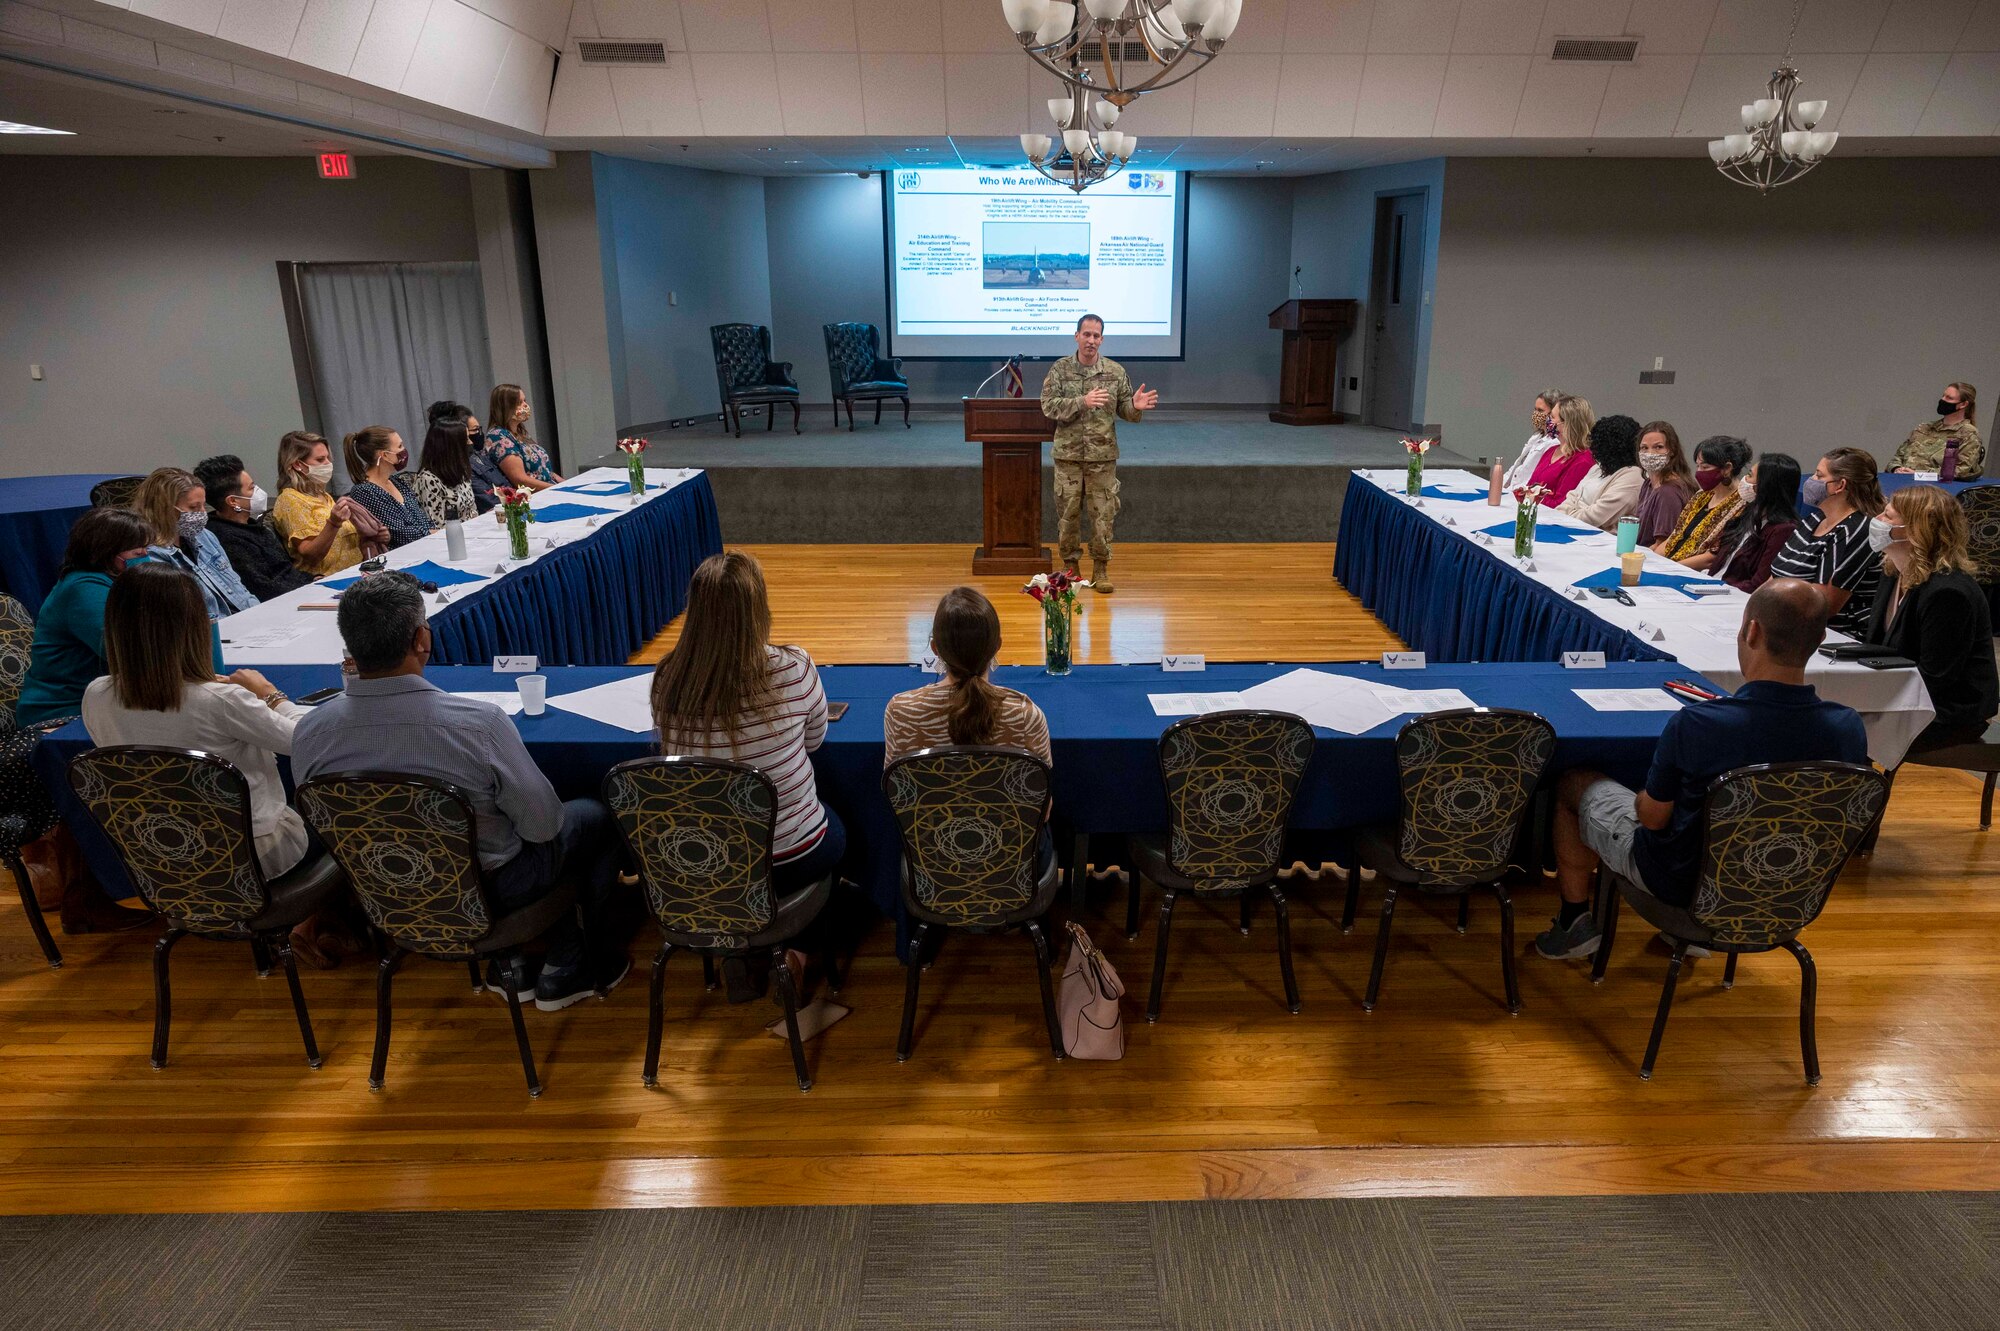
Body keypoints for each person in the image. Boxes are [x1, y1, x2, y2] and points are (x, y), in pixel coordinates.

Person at [292, 572, 629, 1009]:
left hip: (384, 889)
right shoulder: (478, 724)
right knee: (595, 815)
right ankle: (571, 960)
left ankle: (512, 960)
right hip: (495, 888)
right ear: (421, 640)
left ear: (349, 648)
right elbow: (545, 827)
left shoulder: (310, 731)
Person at [1535, 579, 1870, 960]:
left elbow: (1652, 819)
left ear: (1752, 631)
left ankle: (1574, 921)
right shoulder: (1848, 728)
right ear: (1819, 638)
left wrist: (1647, 792)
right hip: (1787, 895)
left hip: (1683, 888)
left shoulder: (1700, 724)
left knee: (1573, 782)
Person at [81, 563, 312, 880]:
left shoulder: (96, 694)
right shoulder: (224, 702)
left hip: (161, 854)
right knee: (336, 818)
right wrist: (271, 695)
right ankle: (317, 924)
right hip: (248, 855)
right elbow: (309, 740)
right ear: (194, 628)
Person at [1862, 485, 1999, 754]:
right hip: (1908, 695)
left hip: (1949, 711)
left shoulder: (1948, 592)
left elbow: (1937, 678)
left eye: (1888, 516)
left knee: (1838, 726)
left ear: (1915, 530)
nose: (1877, 521)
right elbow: (1878, 648)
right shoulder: (1892, 573)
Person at [1039, 314, 1160, 594]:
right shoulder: (1059, 370)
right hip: (1068, 456)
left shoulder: (1115, 373)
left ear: (1101, 339)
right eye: (1086, 334)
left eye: (1096, 336)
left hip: (1102, 458)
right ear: (1076, 336)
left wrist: (1136, 406)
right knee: (1068, 515)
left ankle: (1101, 568)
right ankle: (1071, 568)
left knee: (1102, 515)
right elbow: (1048, 406)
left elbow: (1126, 411)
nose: (1091, 340)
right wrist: (1082, 401)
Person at [15, 508, 155, 728]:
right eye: (138, 553)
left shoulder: (111, 582)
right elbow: (128, 655)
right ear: (107, 551)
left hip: (102, 701)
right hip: (62, 713)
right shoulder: (84, 589)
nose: (146, 557)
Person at [884, 587, 1052, 767]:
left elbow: (898, 791)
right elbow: (1040, 793)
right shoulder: (1026, 716)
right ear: (997, 646)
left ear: (935, 649)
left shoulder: (900, 711)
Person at [1768, 446, 1884, 636]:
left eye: (1819, 476)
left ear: (1840, 485)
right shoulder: (1815, 519)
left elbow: (1824, 604)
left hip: (1832, 634)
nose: (1811, 481)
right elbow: (1776, 574)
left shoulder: (1858, 530)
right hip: (1784, 620)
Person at [132, 467, 258, 619]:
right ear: (164, 509)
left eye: (204, 505)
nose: (203, 513)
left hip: (247, 621)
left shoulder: (205, 537)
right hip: (213, 633)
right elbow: (182, 616)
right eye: (194, 507)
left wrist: (262, 615)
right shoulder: (150, 555)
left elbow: (240, 590)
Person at [193, 454, 313, 601]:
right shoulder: (225, 539)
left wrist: (314, 580)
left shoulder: (252, 525)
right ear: (233, 501)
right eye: (251, 488)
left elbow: (285, 570)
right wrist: (309, 585)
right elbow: (265, 588)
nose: (258, 491)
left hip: (301, 590)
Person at [269, 430, 381, 575]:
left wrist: (370, 536)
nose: (328, 463)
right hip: (327, 581)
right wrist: (333, 523)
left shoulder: (324, 496)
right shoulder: (290, 500)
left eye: (328, 458)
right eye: (320, 460)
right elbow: (311, 555)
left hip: (356, 572)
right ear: (298, 465)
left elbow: (342, 544)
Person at [1711, 453, 1802, 593]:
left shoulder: (1783, 530)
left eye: (1750, 476)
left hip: (1734, 596)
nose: (1744, 480)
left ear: (1766, 486)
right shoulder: (1750, 512)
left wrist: (1716, 589)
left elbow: (1758, 584)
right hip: (1713, 584)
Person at [1654, 435, 1749, 568]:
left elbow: (1713, 557)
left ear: (1727, 468)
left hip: (1692, 573)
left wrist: (1670, 568)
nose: (1698, 472)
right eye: (1698, 466)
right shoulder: (1701, 496)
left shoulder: (1741, 505)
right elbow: (1675, 536)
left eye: (1705, 467)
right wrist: (1653, 561)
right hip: (1670, 565)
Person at [343, 426, 434, 549]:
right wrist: (433, 533)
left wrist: (434, 532)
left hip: (426, 547)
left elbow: (423, 519)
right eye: (400, 446)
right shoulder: (364, 491)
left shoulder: (397, 482)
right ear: (385, 455)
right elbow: (399, 533)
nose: (404, 450)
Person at [1557, 413, 1644, 531]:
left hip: (1598, 539)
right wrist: (1560, 516)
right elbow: (1572, 496)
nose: (1593, 449)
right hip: (1571, 528)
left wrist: (1565, 517)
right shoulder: (1598, 467)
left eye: (1599, 444)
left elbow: (1596, 517)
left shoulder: (1633, 476)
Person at [1890, 382, 1981, 479]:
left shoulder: (1968, 434)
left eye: (1949, 398)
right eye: (1943, 396)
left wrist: (1918, 475)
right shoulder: (1924, 428)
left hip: (1933, 488)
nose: (1943, 400)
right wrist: (1896, 468)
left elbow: (1961, 470)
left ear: (1963, 404)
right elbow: (1898, 456)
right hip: (1901, 481)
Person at [408, 412, 483, 527]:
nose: (471, 442)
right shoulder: (428, 479)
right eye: (466, 439)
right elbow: (437, 526)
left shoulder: (460, 470)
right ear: (452, 446)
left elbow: (472, 511)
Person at [485, 384, 562, 491]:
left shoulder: (521, 434)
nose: (525, 406)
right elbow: (520, 479)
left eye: (524, 400)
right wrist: (557, 489)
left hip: (549, 489)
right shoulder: (498, 436)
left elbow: (546, 471)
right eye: (519, 403)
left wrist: (568, 485)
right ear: (506, 406)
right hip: (537, 496)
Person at [428, 400, 500, 514]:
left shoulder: (476, 457)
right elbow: (487, 501)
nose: (471, 442)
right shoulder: (431, 478)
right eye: (475, 430)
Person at [1632, 420, 1697, 547]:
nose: (1650, 453)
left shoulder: (1668, 492)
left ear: (1672, 450)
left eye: (1658, 447)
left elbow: (1662, 545)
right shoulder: (1648, 484)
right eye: (1644, 448)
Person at [1526, 394, 1596, 506]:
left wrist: (1531, 497)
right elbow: (1530, 486)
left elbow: (1562, 503)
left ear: (1567, 423)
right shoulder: (1551, 450)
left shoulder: (1583, 460)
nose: (1548, 420)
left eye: (1552, 417)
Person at [1500, 388, 1563, 491]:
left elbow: (1536, 475)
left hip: (1524, 493)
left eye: (1540, 411)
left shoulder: (1554, 443)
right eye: (1535, 409)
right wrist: (1499, 485)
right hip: (1510, 490)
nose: (1536, 414)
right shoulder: (1537, 436)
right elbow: (1517, 466)